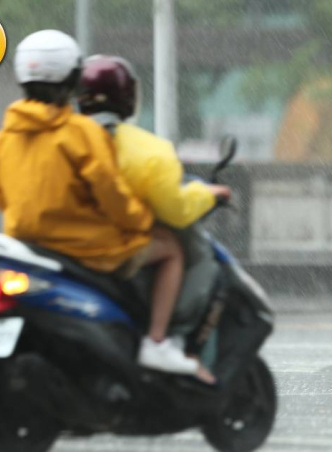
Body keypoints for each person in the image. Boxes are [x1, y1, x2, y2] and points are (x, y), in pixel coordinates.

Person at [0, 30, 207, 381]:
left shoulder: (1, 140)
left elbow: (1, 197)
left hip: (26, 244)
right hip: (85, 247)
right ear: (73, 80)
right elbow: (111, 195)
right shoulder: (80, 134)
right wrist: (139, 221)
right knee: (170, 249)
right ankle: (156, 342)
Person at [77, 54, 232, 383]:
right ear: (129, 98)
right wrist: (209, 194)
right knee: (174, 249)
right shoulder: (148, 151)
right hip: (110, 246)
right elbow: (174, 209)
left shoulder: (58, 139)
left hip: (57, 241)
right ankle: (158, 339)